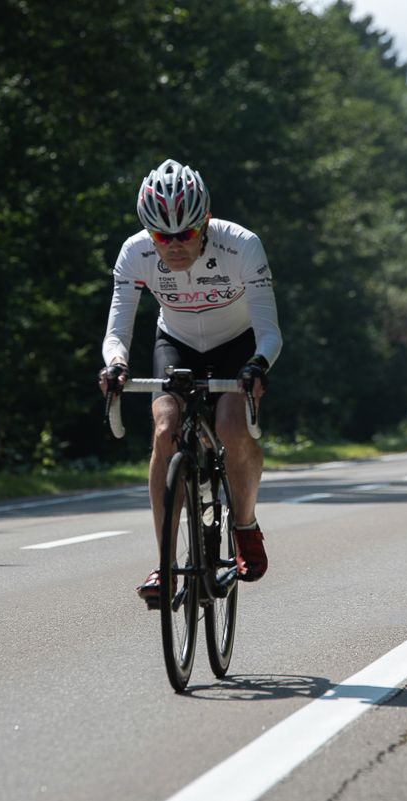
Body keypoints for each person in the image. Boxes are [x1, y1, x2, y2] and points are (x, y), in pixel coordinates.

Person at [98, 158, 283, 603]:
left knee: (232, 428)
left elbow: (269, 332)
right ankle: (165, 563)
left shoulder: (242, 246)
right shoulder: (134, 252)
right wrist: (116, 365)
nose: (175, 245)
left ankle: (244, 525)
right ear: (149, 232)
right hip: (175, 342)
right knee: (164, 429)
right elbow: (116, 332)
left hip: (235, 346)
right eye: (163, 236)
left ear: (206, 222)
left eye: (186, 234)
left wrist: (257, 365)